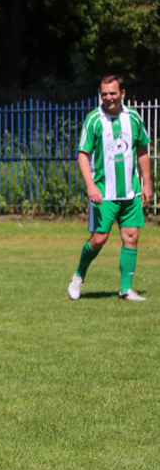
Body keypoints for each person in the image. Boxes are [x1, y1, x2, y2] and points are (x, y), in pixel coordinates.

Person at [68, 75, 152, 301]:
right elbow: (83, 155)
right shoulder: (94, 119)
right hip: (103, 193)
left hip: (131, 192)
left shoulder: (134, 118)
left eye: (113, 93)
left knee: (131, 236)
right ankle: (78, 276)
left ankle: (126, 290)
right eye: (104, 93)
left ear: (122, 93)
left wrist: (147, 184)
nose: (108, 98)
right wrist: (90, 185)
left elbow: (143, 150)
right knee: (99, 239)